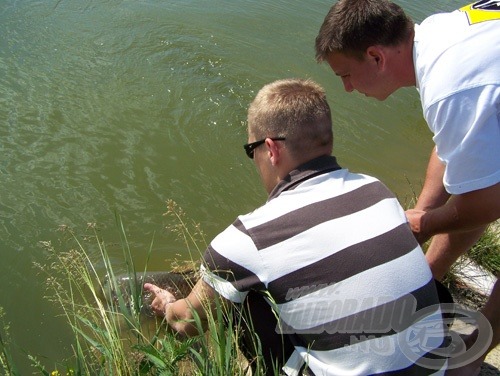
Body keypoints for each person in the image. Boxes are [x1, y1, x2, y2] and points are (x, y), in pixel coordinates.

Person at [144, 78, 448, 375]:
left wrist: (169, 304)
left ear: (271, 149)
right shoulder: (377, 190)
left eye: (252, 151)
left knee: (241, 293)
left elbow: (187, 324)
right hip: (438, 368)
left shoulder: (247, 238)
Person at [315, 1, 500, 374]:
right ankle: (429, 278)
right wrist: (420, 220)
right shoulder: (436, 37)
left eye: (345, 75)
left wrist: (427, 225)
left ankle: (472, 354)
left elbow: (488, 202)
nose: (348, 89)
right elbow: (457, 154)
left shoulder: (451, 86)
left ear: (375, 56)